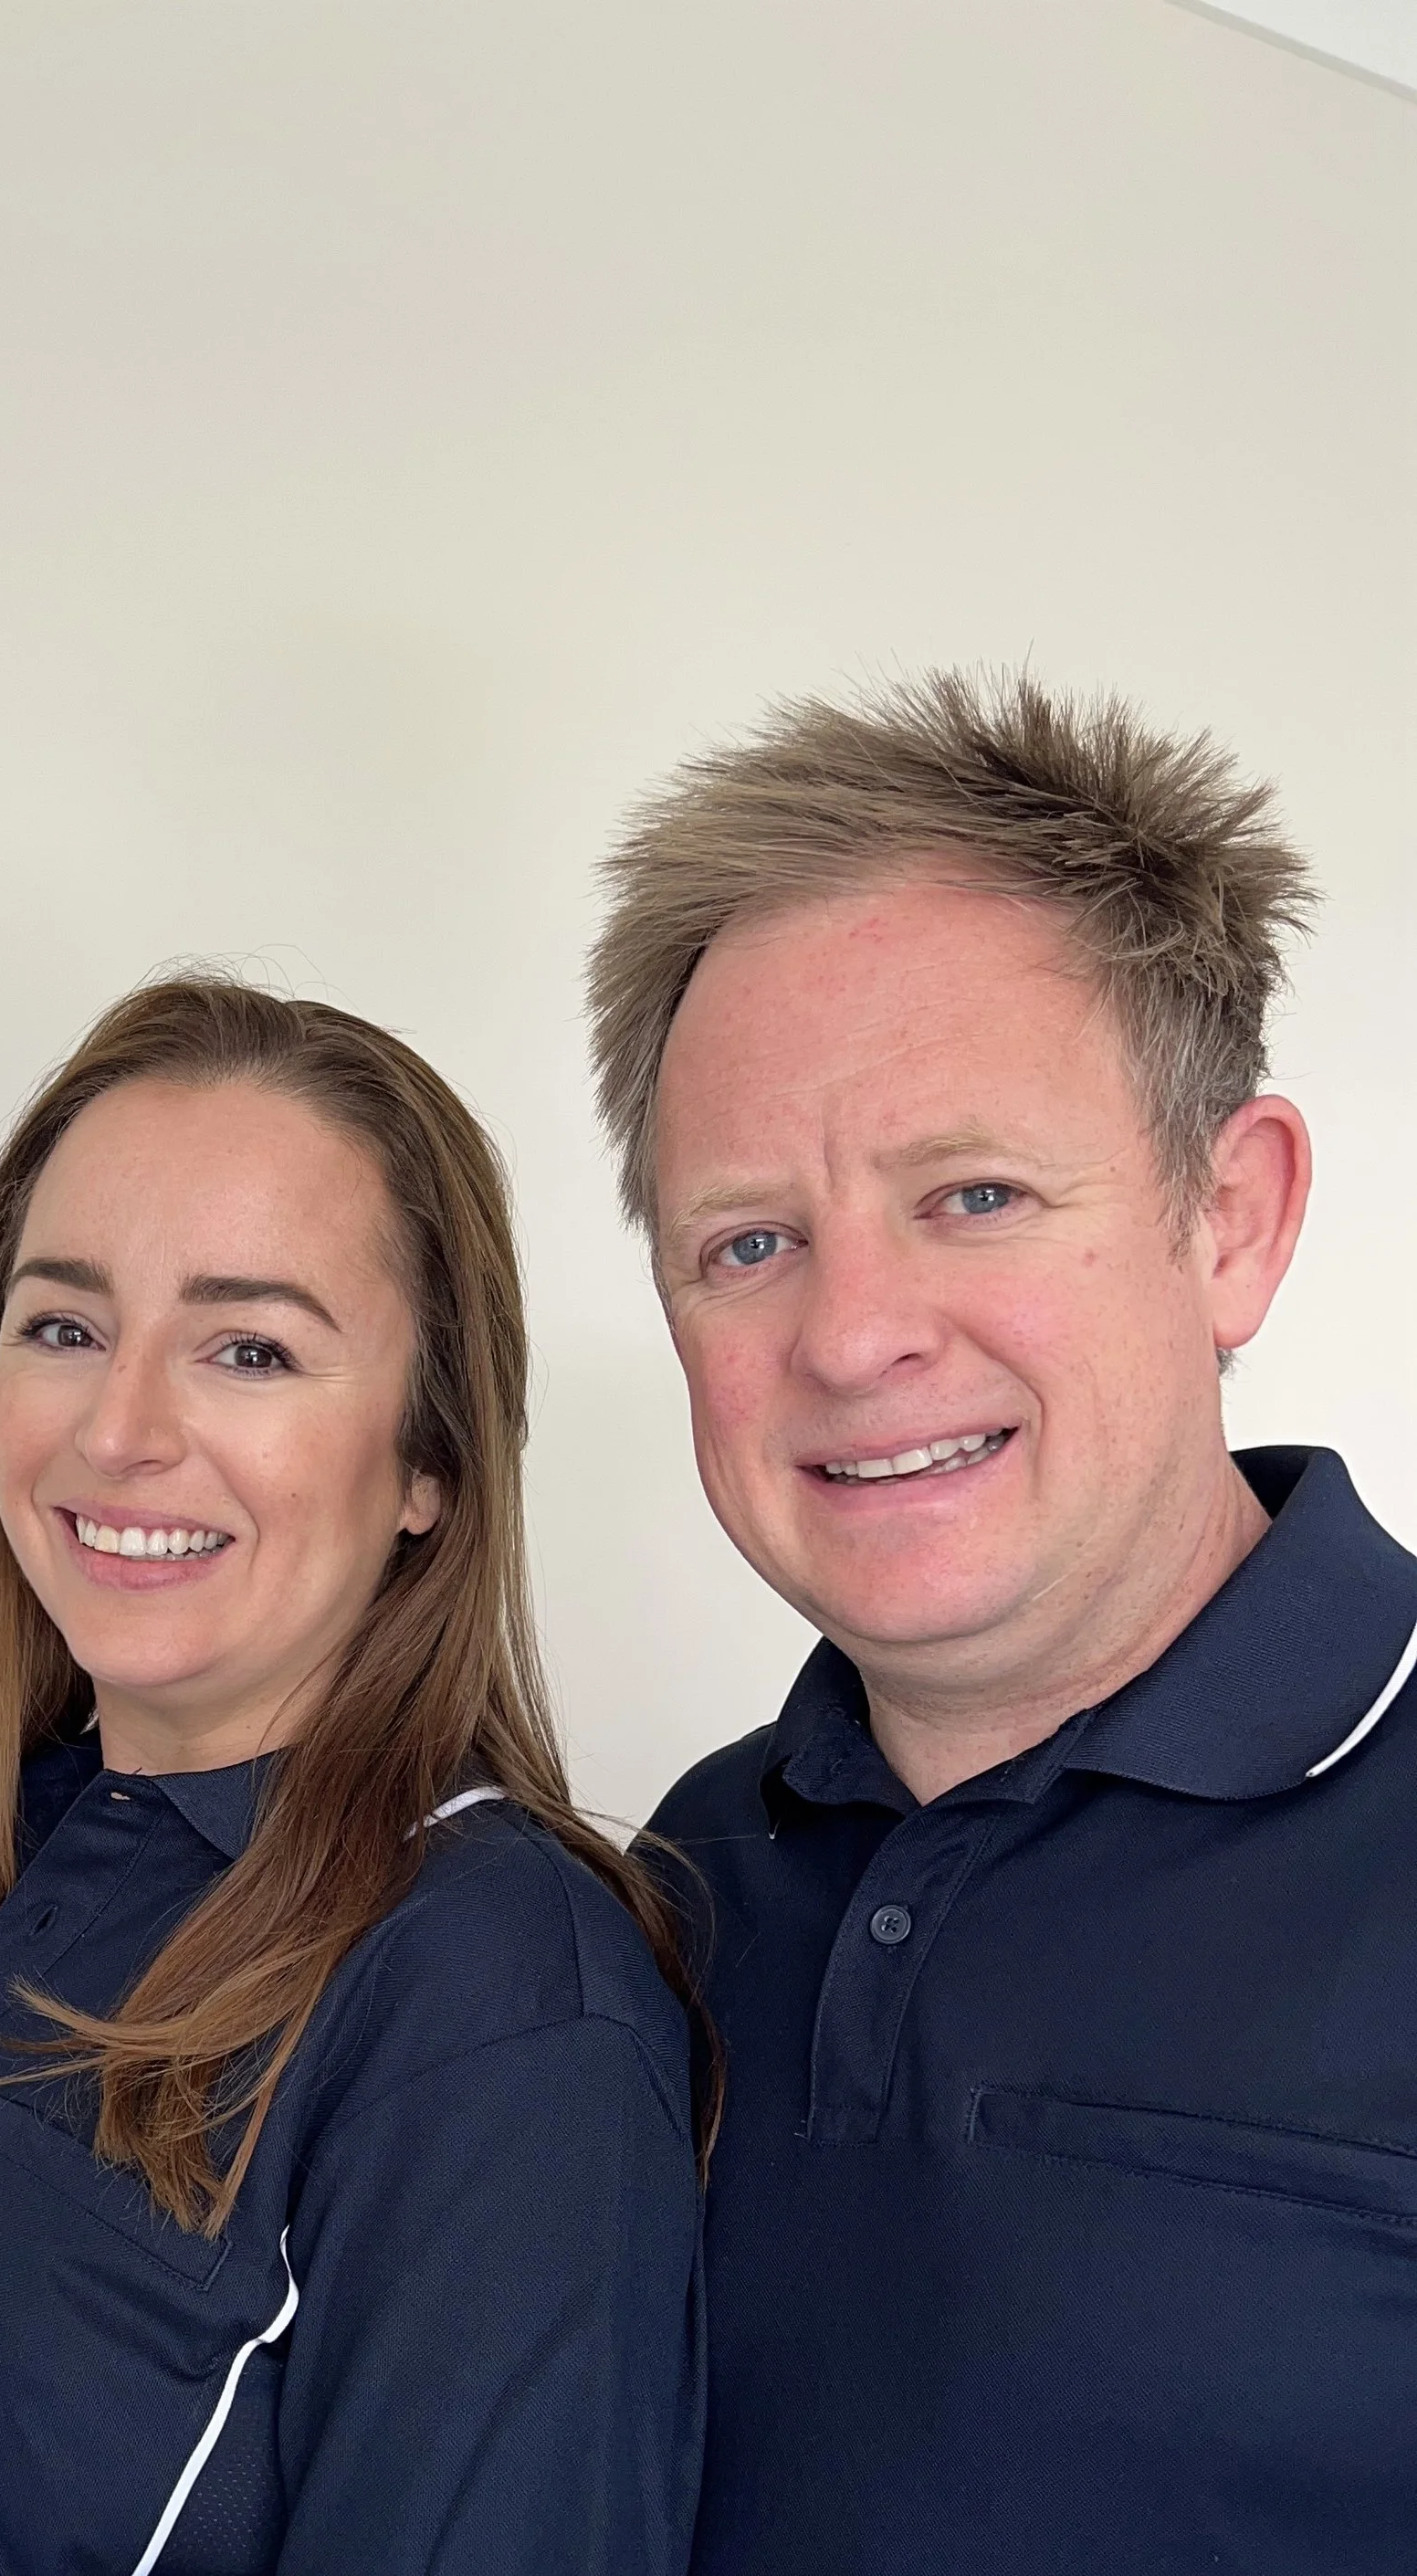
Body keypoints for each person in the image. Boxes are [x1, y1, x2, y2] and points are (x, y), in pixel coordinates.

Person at [0, 977, 708, 2576]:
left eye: (247, 1347)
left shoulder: (496, 2004)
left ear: (429, 1462)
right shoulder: (12, 1873)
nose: (120, 1428)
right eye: (65, 1326)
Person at [587, 671, 1417, 2576]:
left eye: (968, 1194)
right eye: (745, 1240)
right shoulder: (668, 1895)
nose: (849, 1333)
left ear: (1231, 1220)